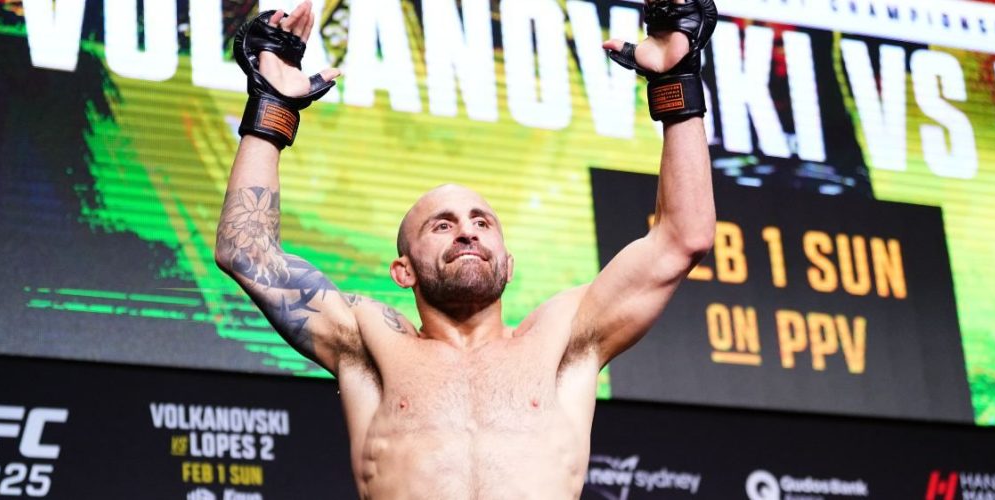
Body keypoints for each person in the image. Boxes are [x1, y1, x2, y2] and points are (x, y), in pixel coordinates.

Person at [214, 0, 717, 497]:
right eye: (442, 225)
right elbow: (246, 251)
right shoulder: (370, 343)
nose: (467, 232)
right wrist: (273, 108)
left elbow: (683, 238)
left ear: (509, 264)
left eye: (481, 222)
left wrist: (676, 79)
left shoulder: (563, 339)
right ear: (403, 271)